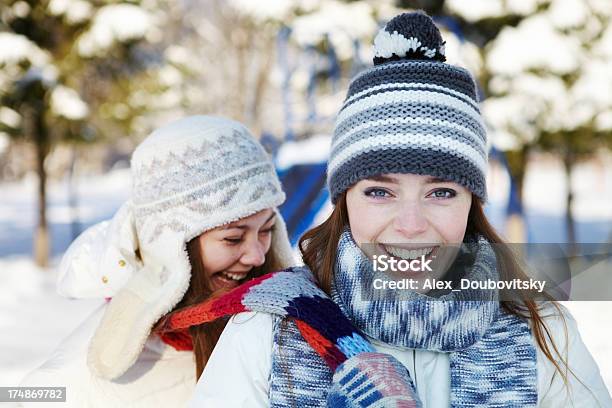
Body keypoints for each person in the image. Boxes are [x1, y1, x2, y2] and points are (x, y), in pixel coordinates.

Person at [185, 12, 612, 407]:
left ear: (471, 203)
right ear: (345, 201)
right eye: (380, 193)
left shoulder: (543, 332)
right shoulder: (265, 331)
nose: (411, 226)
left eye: (441, 192)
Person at [20, 116, 295, 407]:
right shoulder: (68, 383)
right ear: (170, 248)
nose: (257, 255)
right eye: (233, 238)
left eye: (266, 231)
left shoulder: (278, 337)